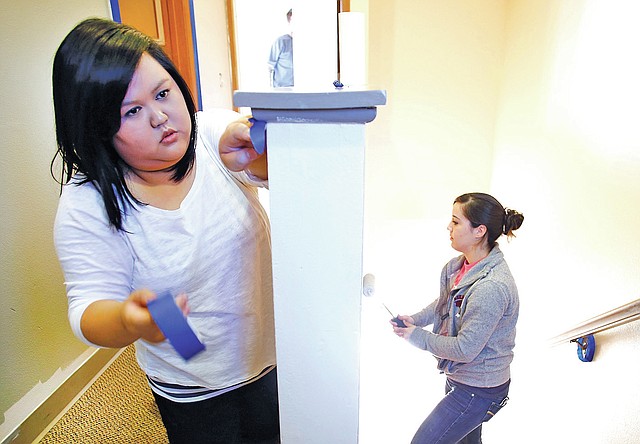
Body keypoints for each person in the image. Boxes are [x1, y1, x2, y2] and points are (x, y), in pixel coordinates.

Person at [51, 18, 279, 444]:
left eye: (162, 93)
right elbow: (87, 309)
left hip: (267, 353)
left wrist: (256, 155)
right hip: (190, 384)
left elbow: (270, 170)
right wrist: (127, 318)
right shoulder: (89, 204)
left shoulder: (210, 136)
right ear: (95, 126)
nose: (160, 117)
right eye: (131, 111)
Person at [391, 193, 524, 444]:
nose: (449, 227)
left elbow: (464, 349)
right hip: (460, 378)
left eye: (455, 221)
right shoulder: (458, 266)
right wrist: (415, 320)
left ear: (479, 231)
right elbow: (445, 303)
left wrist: (416, 336)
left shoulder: (492, 287)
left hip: (479, 390)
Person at [267, 9, 294, 88]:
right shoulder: (281, 42)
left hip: (302, 91)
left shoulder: (308, 44)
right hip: (282, 90)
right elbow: (270, 68)